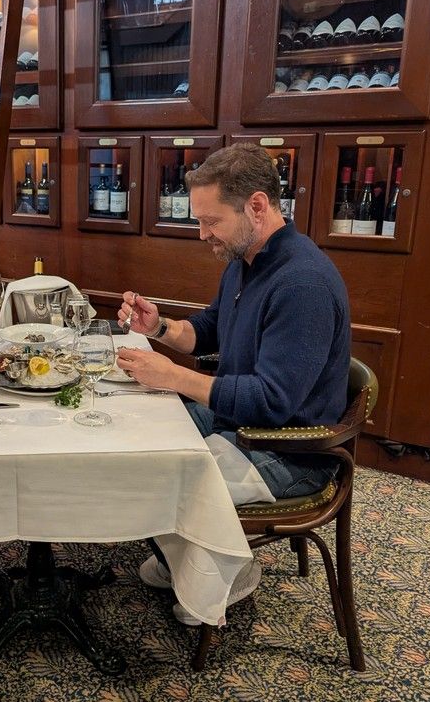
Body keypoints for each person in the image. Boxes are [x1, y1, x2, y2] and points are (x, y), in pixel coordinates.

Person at [115, 143, 351, 624]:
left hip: (292, 450)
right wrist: (158, 327)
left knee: (159, 477)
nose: (202, 234)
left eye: (211, 221)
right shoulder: (247, 261)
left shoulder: (302, 284)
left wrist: (175, 376)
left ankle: (227, 572)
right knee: (136, 431)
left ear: (257, 207)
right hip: (241, 424)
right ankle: (188, 557)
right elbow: (209, 330)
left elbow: (269, 403)